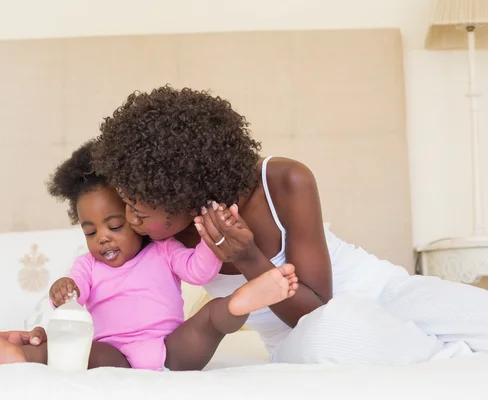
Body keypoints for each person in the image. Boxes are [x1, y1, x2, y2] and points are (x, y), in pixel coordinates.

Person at [85, 85, 488, 365]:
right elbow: (312, 321)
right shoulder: (151, 236)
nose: (132, 217)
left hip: (379, 290)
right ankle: (450, 358)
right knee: (334, 334)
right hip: (301, 335)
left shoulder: (282, 180)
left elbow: (317, 300)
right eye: (127, 202)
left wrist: (247, 255)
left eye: (141, 203)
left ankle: (431, 343)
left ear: (183, 188)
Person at [0, 140, 298, 371]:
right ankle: (16, 355)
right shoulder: (87, 266)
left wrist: (211, 241)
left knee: (212, 316)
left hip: (170, 348)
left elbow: (198, 271)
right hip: (113, 352)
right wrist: (64, 289)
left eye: (113, 225)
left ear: (135, 217)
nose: (103, 238)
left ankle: (242, 302)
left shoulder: (164, 251)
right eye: (90, 232)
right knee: (73, 352)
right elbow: (73, 293)